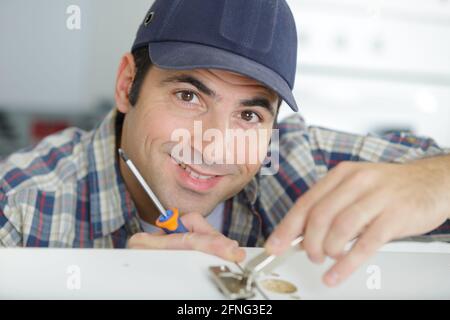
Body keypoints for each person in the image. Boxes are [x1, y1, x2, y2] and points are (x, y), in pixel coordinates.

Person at [1, 0, 449, 287]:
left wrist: (433, 180)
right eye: (188, 96)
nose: (216, 148)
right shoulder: (22, 207)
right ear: (126, 84)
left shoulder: (298, 162)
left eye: (250, 114)